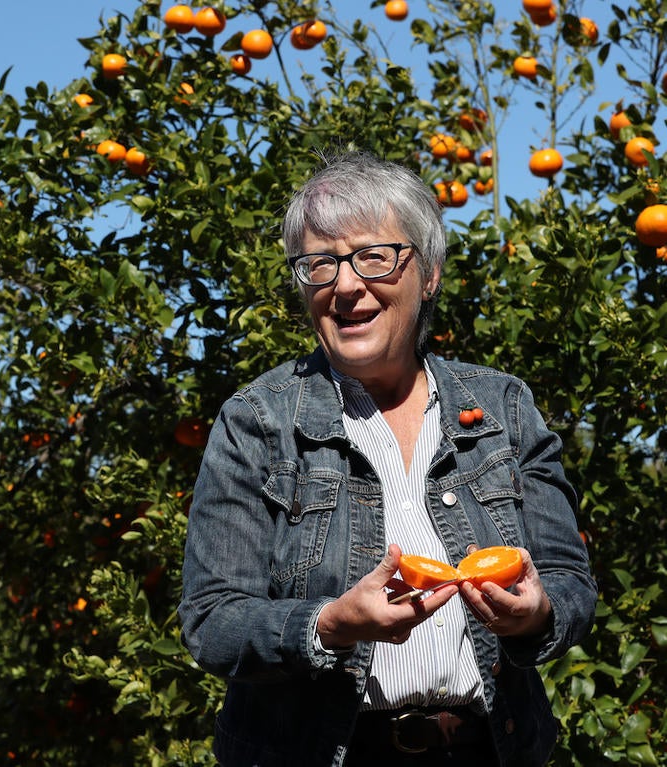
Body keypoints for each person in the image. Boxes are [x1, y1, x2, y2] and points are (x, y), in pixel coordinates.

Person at [178, 150, 597, 767]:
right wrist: (328, 625)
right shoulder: (257, 423)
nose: (346, 286)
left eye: (375, 256)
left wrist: (537, 615)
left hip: (489, 749)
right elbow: (212, 623)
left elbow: (569, 580)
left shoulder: (502, 407)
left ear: (428, 274)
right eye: (319, 264)